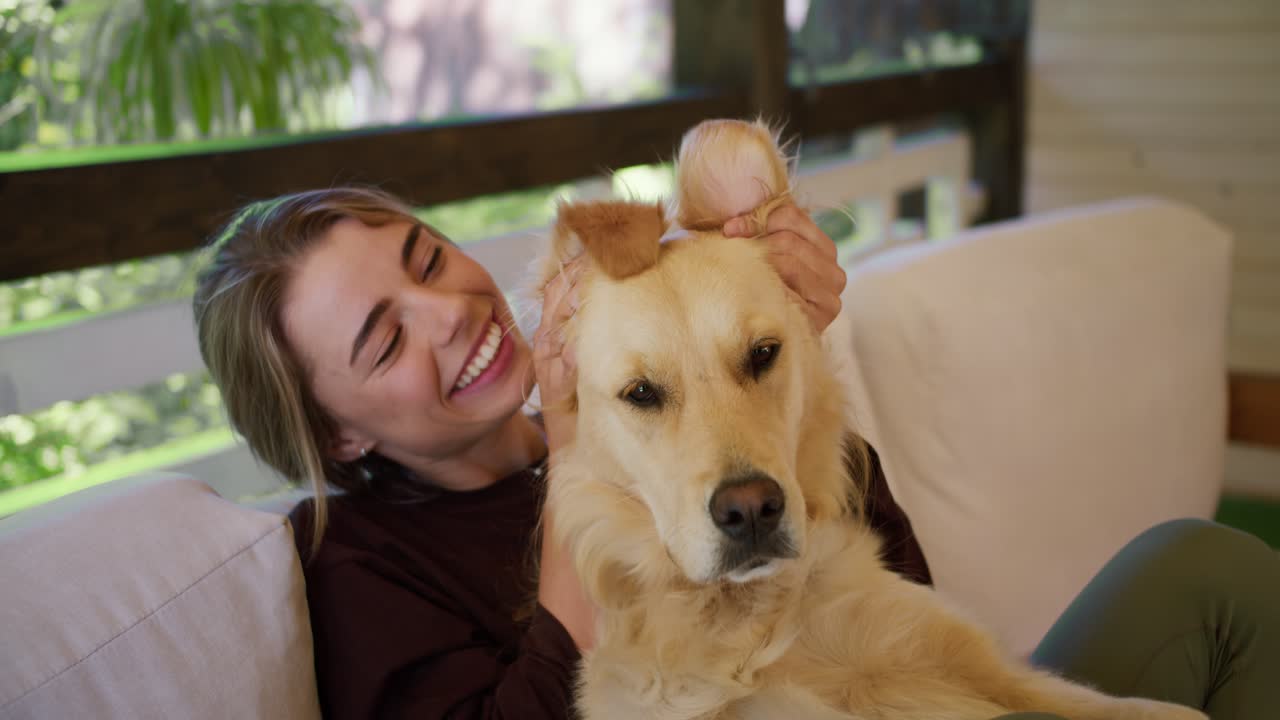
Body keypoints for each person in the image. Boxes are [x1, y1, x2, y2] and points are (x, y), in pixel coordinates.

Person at [193, 186, 1279, 720]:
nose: (449, 313)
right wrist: (581, 480)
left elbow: (894, 585)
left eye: (428, 259)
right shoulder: (357, 564)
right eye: (384, 338)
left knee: (1202, 570)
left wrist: (789, 360)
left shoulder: (633, 336)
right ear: (333, 430)